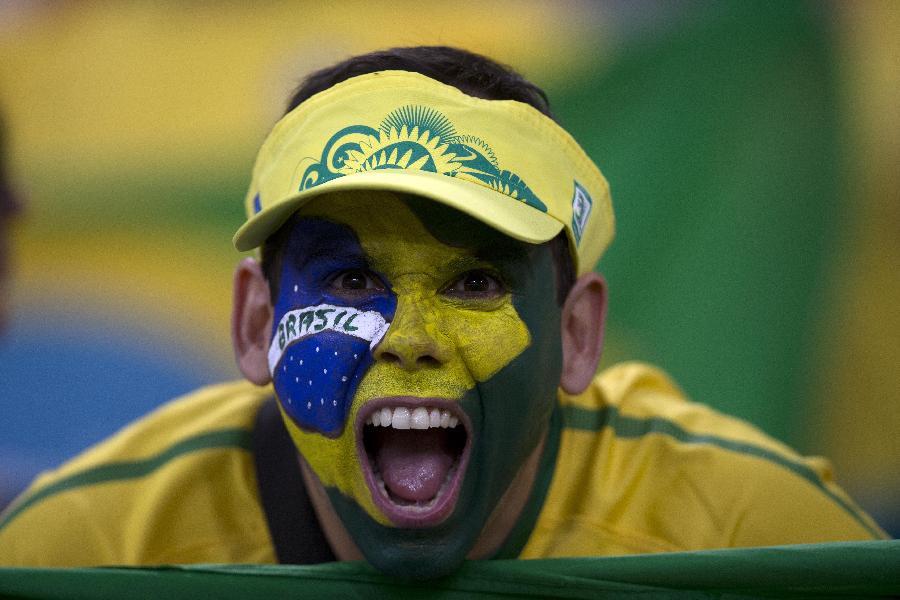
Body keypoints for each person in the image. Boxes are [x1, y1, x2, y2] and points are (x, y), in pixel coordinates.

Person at [0, 46, 886, 579]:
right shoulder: (82, 550)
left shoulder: (753, 541)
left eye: (473, 284)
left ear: (577, 335)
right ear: (251, 324)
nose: (412, 341)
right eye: (348, 282)